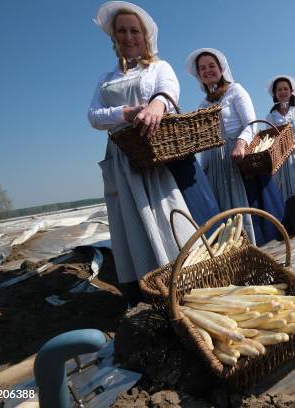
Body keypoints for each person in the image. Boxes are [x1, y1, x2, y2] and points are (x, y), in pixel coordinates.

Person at [88, 2, 220, 301]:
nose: (129, 36)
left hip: (159, 150)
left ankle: (188, 277)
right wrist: (126, 112)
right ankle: (149, 283)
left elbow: (168, 91)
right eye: (122, 30)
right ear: (114, 37)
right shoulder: (106, 78)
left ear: (145, 36)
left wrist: (156, 105)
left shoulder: (159, 67)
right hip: (124, 155)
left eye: (134, 30)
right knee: (135, 220)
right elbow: (94, 116)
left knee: (172, 213)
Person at [186, 48, 284, 245]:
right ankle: (232, 245)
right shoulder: (203, 104)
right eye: (202, 68)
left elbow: (252, 123)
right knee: (221, 210)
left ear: (221, 69)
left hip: (238, 155)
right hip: (215, 161)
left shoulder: (235, 90)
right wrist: (204, 166)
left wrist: (240, 143)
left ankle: (256, 241)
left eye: (211, 66)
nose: (207, 71)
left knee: (246, 204)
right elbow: (205, 138)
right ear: (199, 75)